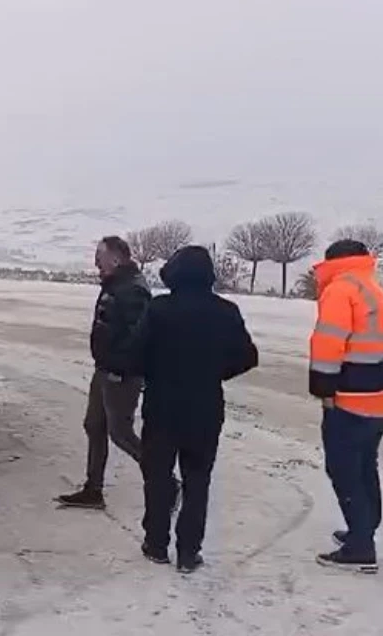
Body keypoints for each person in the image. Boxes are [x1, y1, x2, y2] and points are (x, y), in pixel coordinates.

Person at [126, 245, 258, 573]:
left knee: (157, 476)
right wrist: (215, 371)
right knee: (198, 480)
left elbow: (134, 354)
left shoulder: (159, 309)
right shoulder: (226, 311)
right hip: (205, 406)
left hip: (162, 404)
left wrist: (154, 371)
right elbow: (247, 357)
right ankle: (188, 552)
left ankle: (156, 543)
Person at [308, 239, 383, 574]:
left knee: (344, 469)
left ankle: (360, 548)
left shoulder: (341, 289)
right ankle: (364, 529)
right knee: (365, 465)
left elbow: (328, 343)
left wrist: (324, 390)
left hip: (353, 397)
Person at [56, 236, 154, 510]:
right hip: (105, 370)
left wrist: (122, 369)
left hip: (121, 375)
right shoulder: (116, 284)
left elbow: (140, 337)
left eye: (99, 257)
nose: (95, 263)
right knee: (94, 425)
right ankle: (93, 489)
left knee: (120, 433)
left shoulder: (133, 290)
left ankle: (166, 481)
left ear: (115, 258)